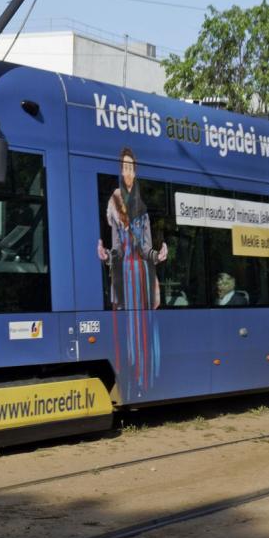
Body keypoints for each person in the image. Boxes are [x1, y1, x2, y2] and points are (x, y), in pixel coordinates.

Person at [96, 147, 166, 395]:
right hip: (124, 273)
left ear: (135, 171)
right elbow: (116, 247)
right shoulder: (114, 203)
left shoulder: (142, 207)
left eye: (131, 167)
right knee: (127, 327)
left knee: (142, 327)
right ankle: (129, 379)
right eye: (124, 167)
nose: (127, 172)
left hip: (141, 274)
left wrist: (157, 255)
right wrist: (106, 256)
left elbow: (146, 248)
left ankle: (144, 382)